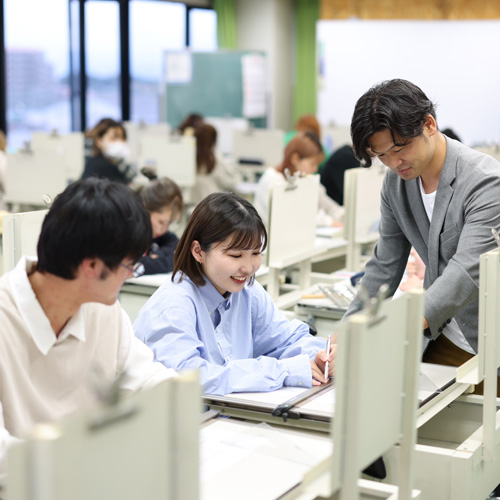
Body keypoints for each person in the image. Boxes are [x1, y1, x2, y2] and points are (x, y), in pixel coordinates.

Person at [0, 178, 177, 479]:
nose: (130, 275)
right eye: (129, 266)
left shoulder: (102, 308)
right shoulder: (6, 317)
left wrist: (179, 400)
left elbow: (145, 375)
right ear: (92, 267)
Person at [344, 78, 500, 396]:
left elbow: (466, 272)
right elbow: (384, 265)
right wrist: (348, 333)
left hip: (489, 338)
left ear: (429, 124)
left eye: (399, 148)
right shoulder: (396, 184)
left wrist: (400, 323)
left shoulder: (485, 182)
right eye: (381, 155)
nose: (393, 163)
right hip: (443, 338)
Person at [133, 192, 333, 396]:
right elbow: (190, 379)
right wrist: (282, 370)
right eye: (235, 255)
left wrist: (321, 355)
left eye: (256, 253)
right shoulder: (173, 305)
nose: (248, 268)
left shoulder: (247, 291)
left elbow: (284, 340)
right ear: (198, 251)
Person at [254, 131, 344, 227]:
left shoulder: (304, 179)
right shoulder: (273, 179)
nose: (316, 169)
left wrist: (343, 215)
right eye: (312, 164)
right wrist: (328, 222)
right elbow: (292, 215)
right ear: (295, 159)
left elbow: (331, 207)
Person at [135, 170, 184, 275]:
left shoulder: (159, 234)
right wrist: (167, 261)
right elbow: (132, 265)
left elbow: (178, 246)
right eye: (161, 222)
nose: (164, 229)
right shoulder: (126, 233)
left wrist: (157, 256)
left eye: (168, 224)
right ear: (145, 209)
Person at [190, 122, 241, 205]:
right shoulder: (215, 161)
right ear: (213, 141)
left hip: (194, 210)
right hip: (213, 210)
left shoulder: (189, 160)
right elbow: (233, 183)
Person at [81, 119, 137, 184]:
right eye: (113, 138)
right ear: (98, 141)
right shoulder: (99, 166)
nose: (120, 142)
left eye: (123, 139)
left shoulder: (118, 166)